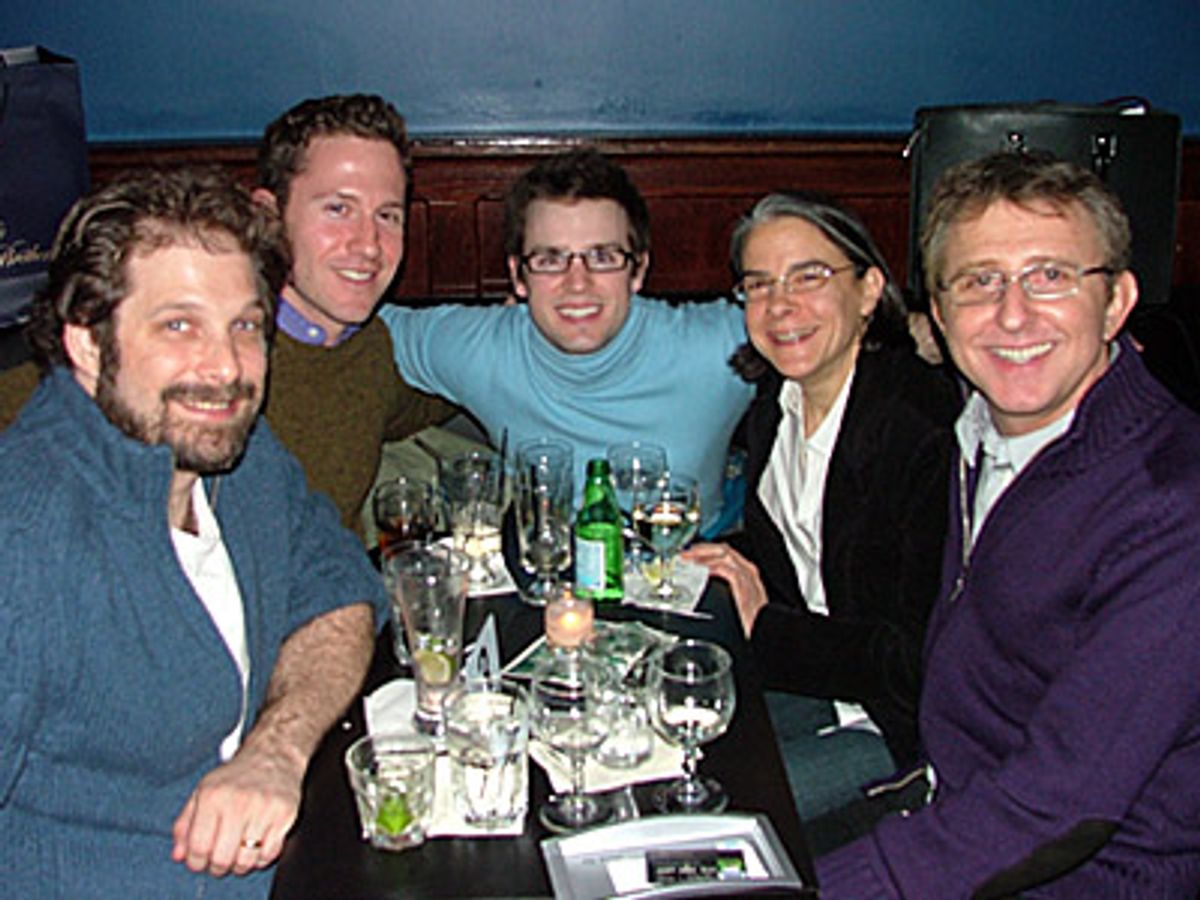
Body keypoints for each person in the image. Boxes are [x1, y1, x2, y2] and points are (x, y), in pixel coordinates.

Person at [817, 152, 1200, 897]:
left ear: (1117, 301)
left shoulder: (1171, 507)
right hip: (950, 822)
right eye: (979, 281)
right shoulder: (981, 435)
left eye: (1051, 276)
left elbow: (1058, 807)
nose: (1013, 313)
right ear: (937, 314)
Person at [0, 166, 386, 897]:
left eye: (244, 326)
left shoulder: (233, 455)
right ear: (88, 344)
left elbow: (340, 588)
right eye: (179, 325)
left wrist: (276, 749)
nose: (225, 368)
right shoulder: (21, 540)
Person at [0, 94, 453, 538]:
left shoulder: (370, 348)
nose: (369, 243)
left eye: (388, 215)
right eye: (338, 209)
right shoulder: (188, 357)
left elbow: (444, 394)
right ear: (270, 215)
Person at [682, 194, 960, 827]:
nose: (780, 306)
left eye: (809, 276)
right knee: (662, 739)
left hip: (901, 726)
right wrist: (726, 557)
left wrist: (762, 625)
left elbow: (923, 658)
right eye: (759, 285)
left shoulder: (918, 427)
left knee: (713, 820)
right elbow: (808, 548)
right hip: (818, 685)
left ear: (868, 291)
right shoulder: (776, 403)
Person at [380, 148, 754, 535]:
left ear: (638, 269)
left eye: (603, 256)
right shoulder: (481, 348)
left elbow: (814, 320)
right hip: (547, 569)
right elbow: (350, 321)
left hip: (690, 568)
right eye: (550, 259)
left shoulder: (716, 346)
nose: (578, 283)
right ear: (519, 276)